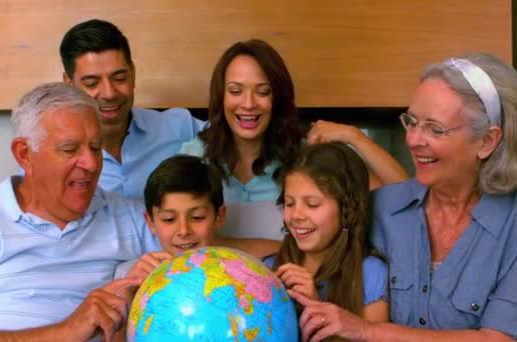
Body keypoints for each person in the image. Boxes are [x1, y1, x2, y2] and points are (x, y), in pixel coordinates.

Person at [290, 53, 517, 342]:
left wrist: (367, 331)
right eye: (412, 122)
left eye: (434, 129)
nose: (414, 140)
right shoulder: (382, 207)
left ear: (486, 141)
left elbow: (497, 340)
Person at [0, 82, 160, 341]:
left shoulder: (132, 218)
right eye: (70, 150)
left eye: (95, 147)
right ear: (24, 154)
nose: (92, 164)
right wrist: (66, 331)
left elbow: (209, 257)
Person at [179, 39, 408, 239]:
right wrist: (273, 250)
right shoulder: (195, 158)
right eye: (236, 91)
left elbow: (405, 197)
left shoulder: (308, 156)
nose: (248, 104)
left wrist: (354, 136)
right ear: (220, 97)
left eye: (263, 91)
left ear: (278, 98)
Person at [60, 19, 206, 200]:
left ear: (133, 74)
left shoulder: (180, 127)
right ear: (69, 84)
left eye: (119, 78)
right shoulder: (49, 151)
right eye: (92, 83)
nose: (109, 93)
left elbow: (236, 141)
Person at [264, 142, 389, 330]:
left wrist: (316, 308)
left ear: (347, 209)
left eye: (312, 204)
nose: (296, 215)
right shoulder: (268, 269)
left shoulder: (370, 273)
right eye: (289, 204)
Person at [114, 154, 281, 281]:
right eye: (169, 220)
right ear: (150, 221)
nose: (184, 231)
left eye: (197, 217)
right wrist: (129, 290)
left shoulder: (262, 262)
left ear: (219, 216)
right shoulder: (133, 275)